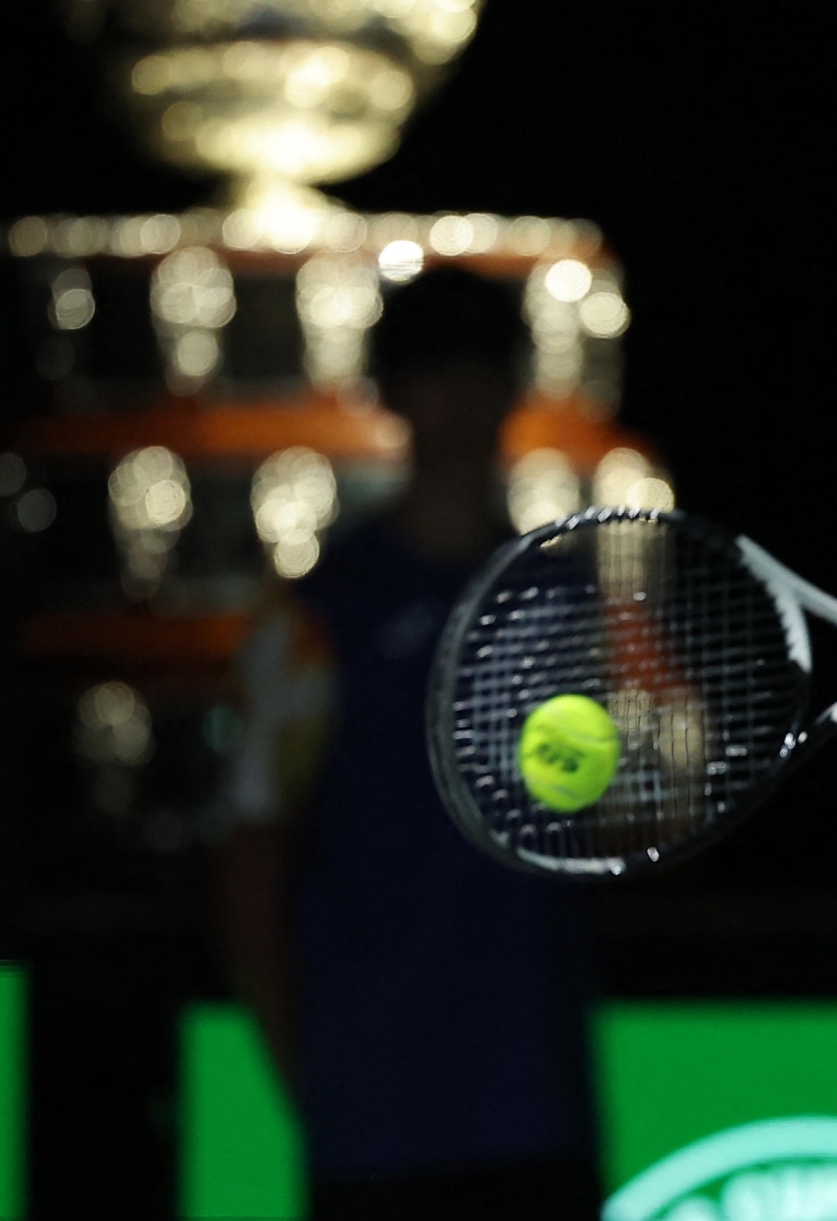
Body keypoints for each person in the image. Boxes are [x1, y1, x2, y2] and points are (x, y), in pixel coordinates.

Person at [220, 268, 601, 1219]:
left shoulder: (570, 607)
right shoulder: (314, 622)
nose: (461, 401)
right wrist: (316, 1084)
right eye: (435, 371)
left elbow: (639, 818)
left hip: (538, 1110)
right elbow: (250, 865)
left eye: (481, 370)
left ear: (516, 386)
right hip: (376, 1126)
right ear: (391, 391)